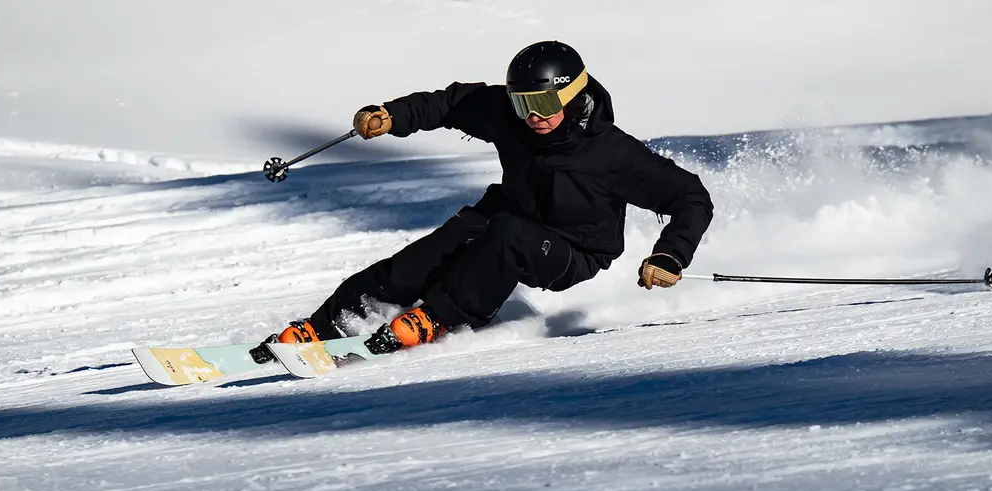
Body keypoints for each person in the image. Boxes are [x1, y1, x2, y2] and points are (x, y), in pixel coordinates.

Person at [267, 40, 713, 355]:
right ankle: (327, 323)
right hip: (509, 213)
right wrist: (391, 116)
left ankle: (444, 316)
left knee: (508, 234)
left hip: (573, 250)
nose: (532, 115)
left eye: (542, 102)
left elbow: (690, 197)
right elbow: (450, 103)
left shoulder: (613, 153)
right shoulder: (511, 115)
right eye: (522, 103)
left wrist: (670, 255)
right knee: (429, 253)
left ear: (572, 95)